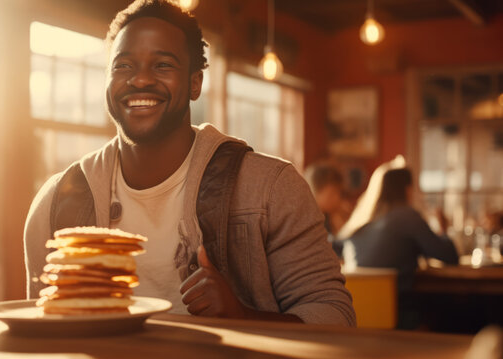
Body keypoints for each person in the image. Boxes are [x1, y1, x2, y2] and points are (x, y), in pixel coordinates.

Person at [24, 0, 355, 326]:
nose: (139, 80)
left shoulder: (271, 187)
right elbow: (41, 330)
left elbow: (335, 317)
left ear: (195, 83)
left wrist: (242, 316)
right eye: (123, 65)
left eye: (162, 65)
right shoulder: (55, 202)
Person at [340, 163, 458, 329]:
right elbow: (449, 256)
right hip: (399, 316)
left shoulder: (360, 222)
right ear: (408, 189)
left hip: (358, 317)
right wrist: (444, 228)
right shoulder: (407, 215)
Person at [304, 162, 345, 256]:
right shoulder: (306, 219)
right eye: (333, 193)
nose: (338, 198)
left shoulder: (327, 215)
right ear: (316, 191)